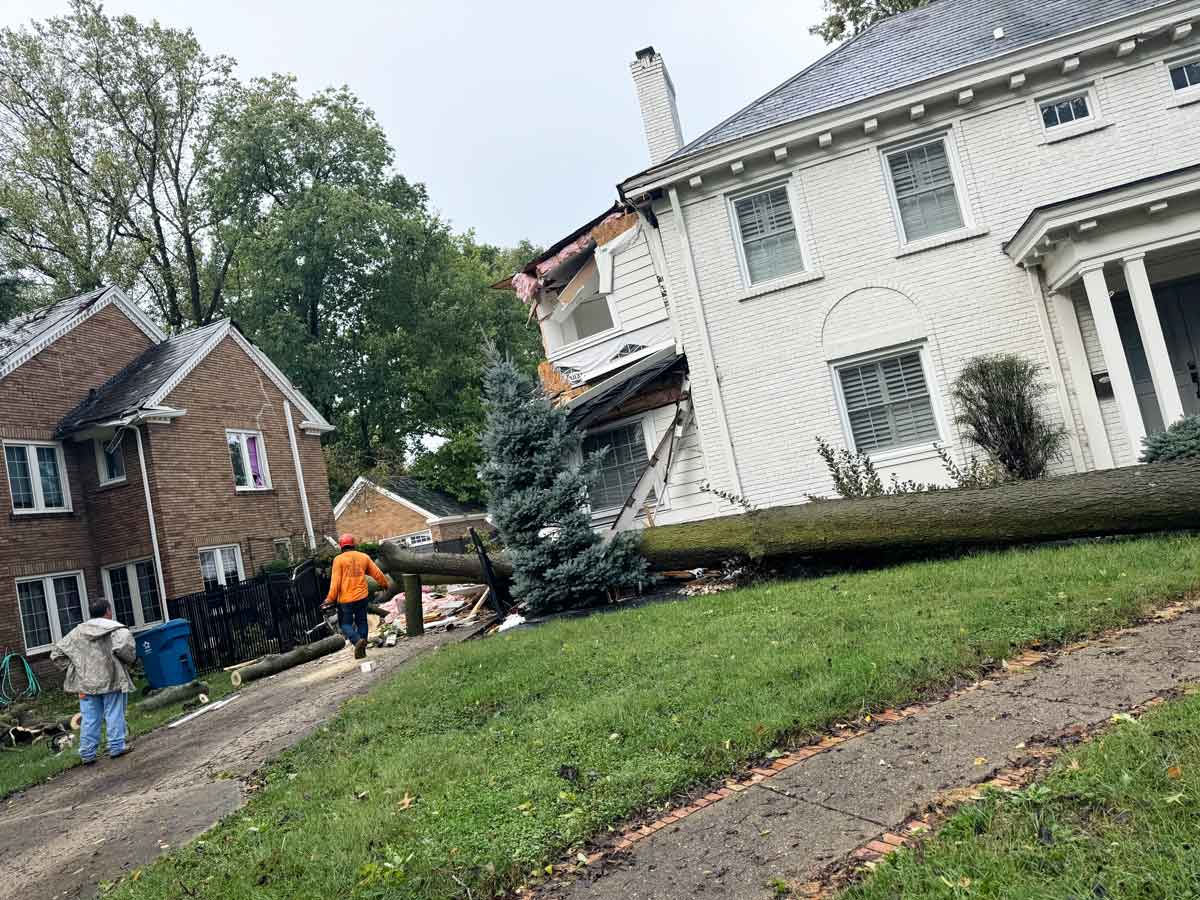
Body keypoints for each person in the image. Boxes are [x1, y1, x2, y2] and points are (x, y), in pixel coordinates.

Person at [50, 598, 136, 764]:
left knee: (89, 717)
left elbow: (56, 654)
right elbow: (125, 649)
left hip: (86, 682)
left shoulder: (76, 632)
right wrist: (127, 661)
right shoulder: (115, 629)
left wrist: (75, 668)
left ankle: (87, 754)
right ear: (108, 611)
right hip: (112, 679)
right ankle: (117, 747)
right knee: (114, 712)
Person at [325, 533, 390, 659]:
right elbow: (377, 573)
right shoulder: (363, 557)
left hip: (345, 599)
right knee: (362, 622)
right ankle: (362, 648)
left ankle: (357, 641)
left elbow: (335, 582)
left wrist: (330, 599)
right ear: (353, 544)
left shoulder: (338, 560)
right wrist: (384, 584)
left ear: (341, 546)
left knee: (345, 624)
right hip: (362, 597)